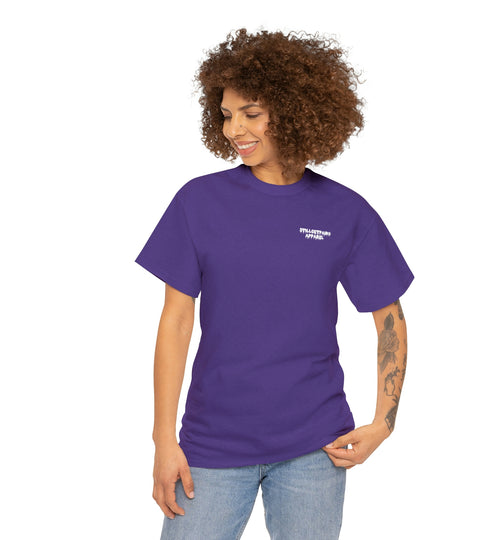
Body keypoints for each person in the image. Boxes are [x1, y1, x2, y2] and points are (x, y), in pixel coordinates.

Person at [135, 28, 414, 540]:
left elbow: (389, 317)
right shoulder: (199, 202)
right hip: (212, 444)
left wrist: (384, 422)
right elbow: (175, 323)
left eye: (251, 113)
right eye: (226, 114)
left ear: (293, 111)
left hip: (315, 447)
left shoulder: (345, 212)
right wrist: (163, 440)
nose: (234, 129)